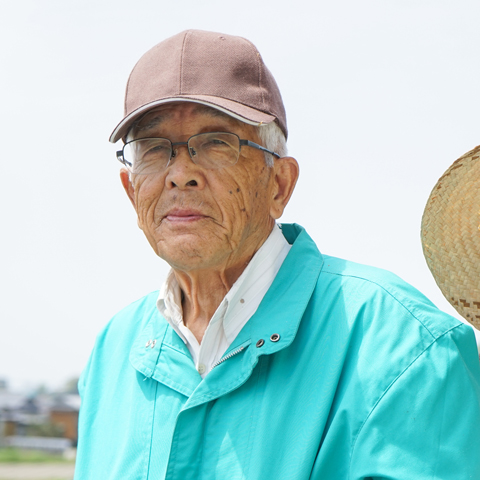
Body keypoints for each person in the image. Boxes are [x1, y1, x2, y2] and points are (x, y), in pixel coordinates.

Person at [74, 30, 480, 479]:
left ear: (280, 185)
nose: (181, 173)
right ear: (132, 193)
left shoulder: (404, 345)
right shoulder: (114, 352)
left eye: (216, 144)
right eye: (154, 149)